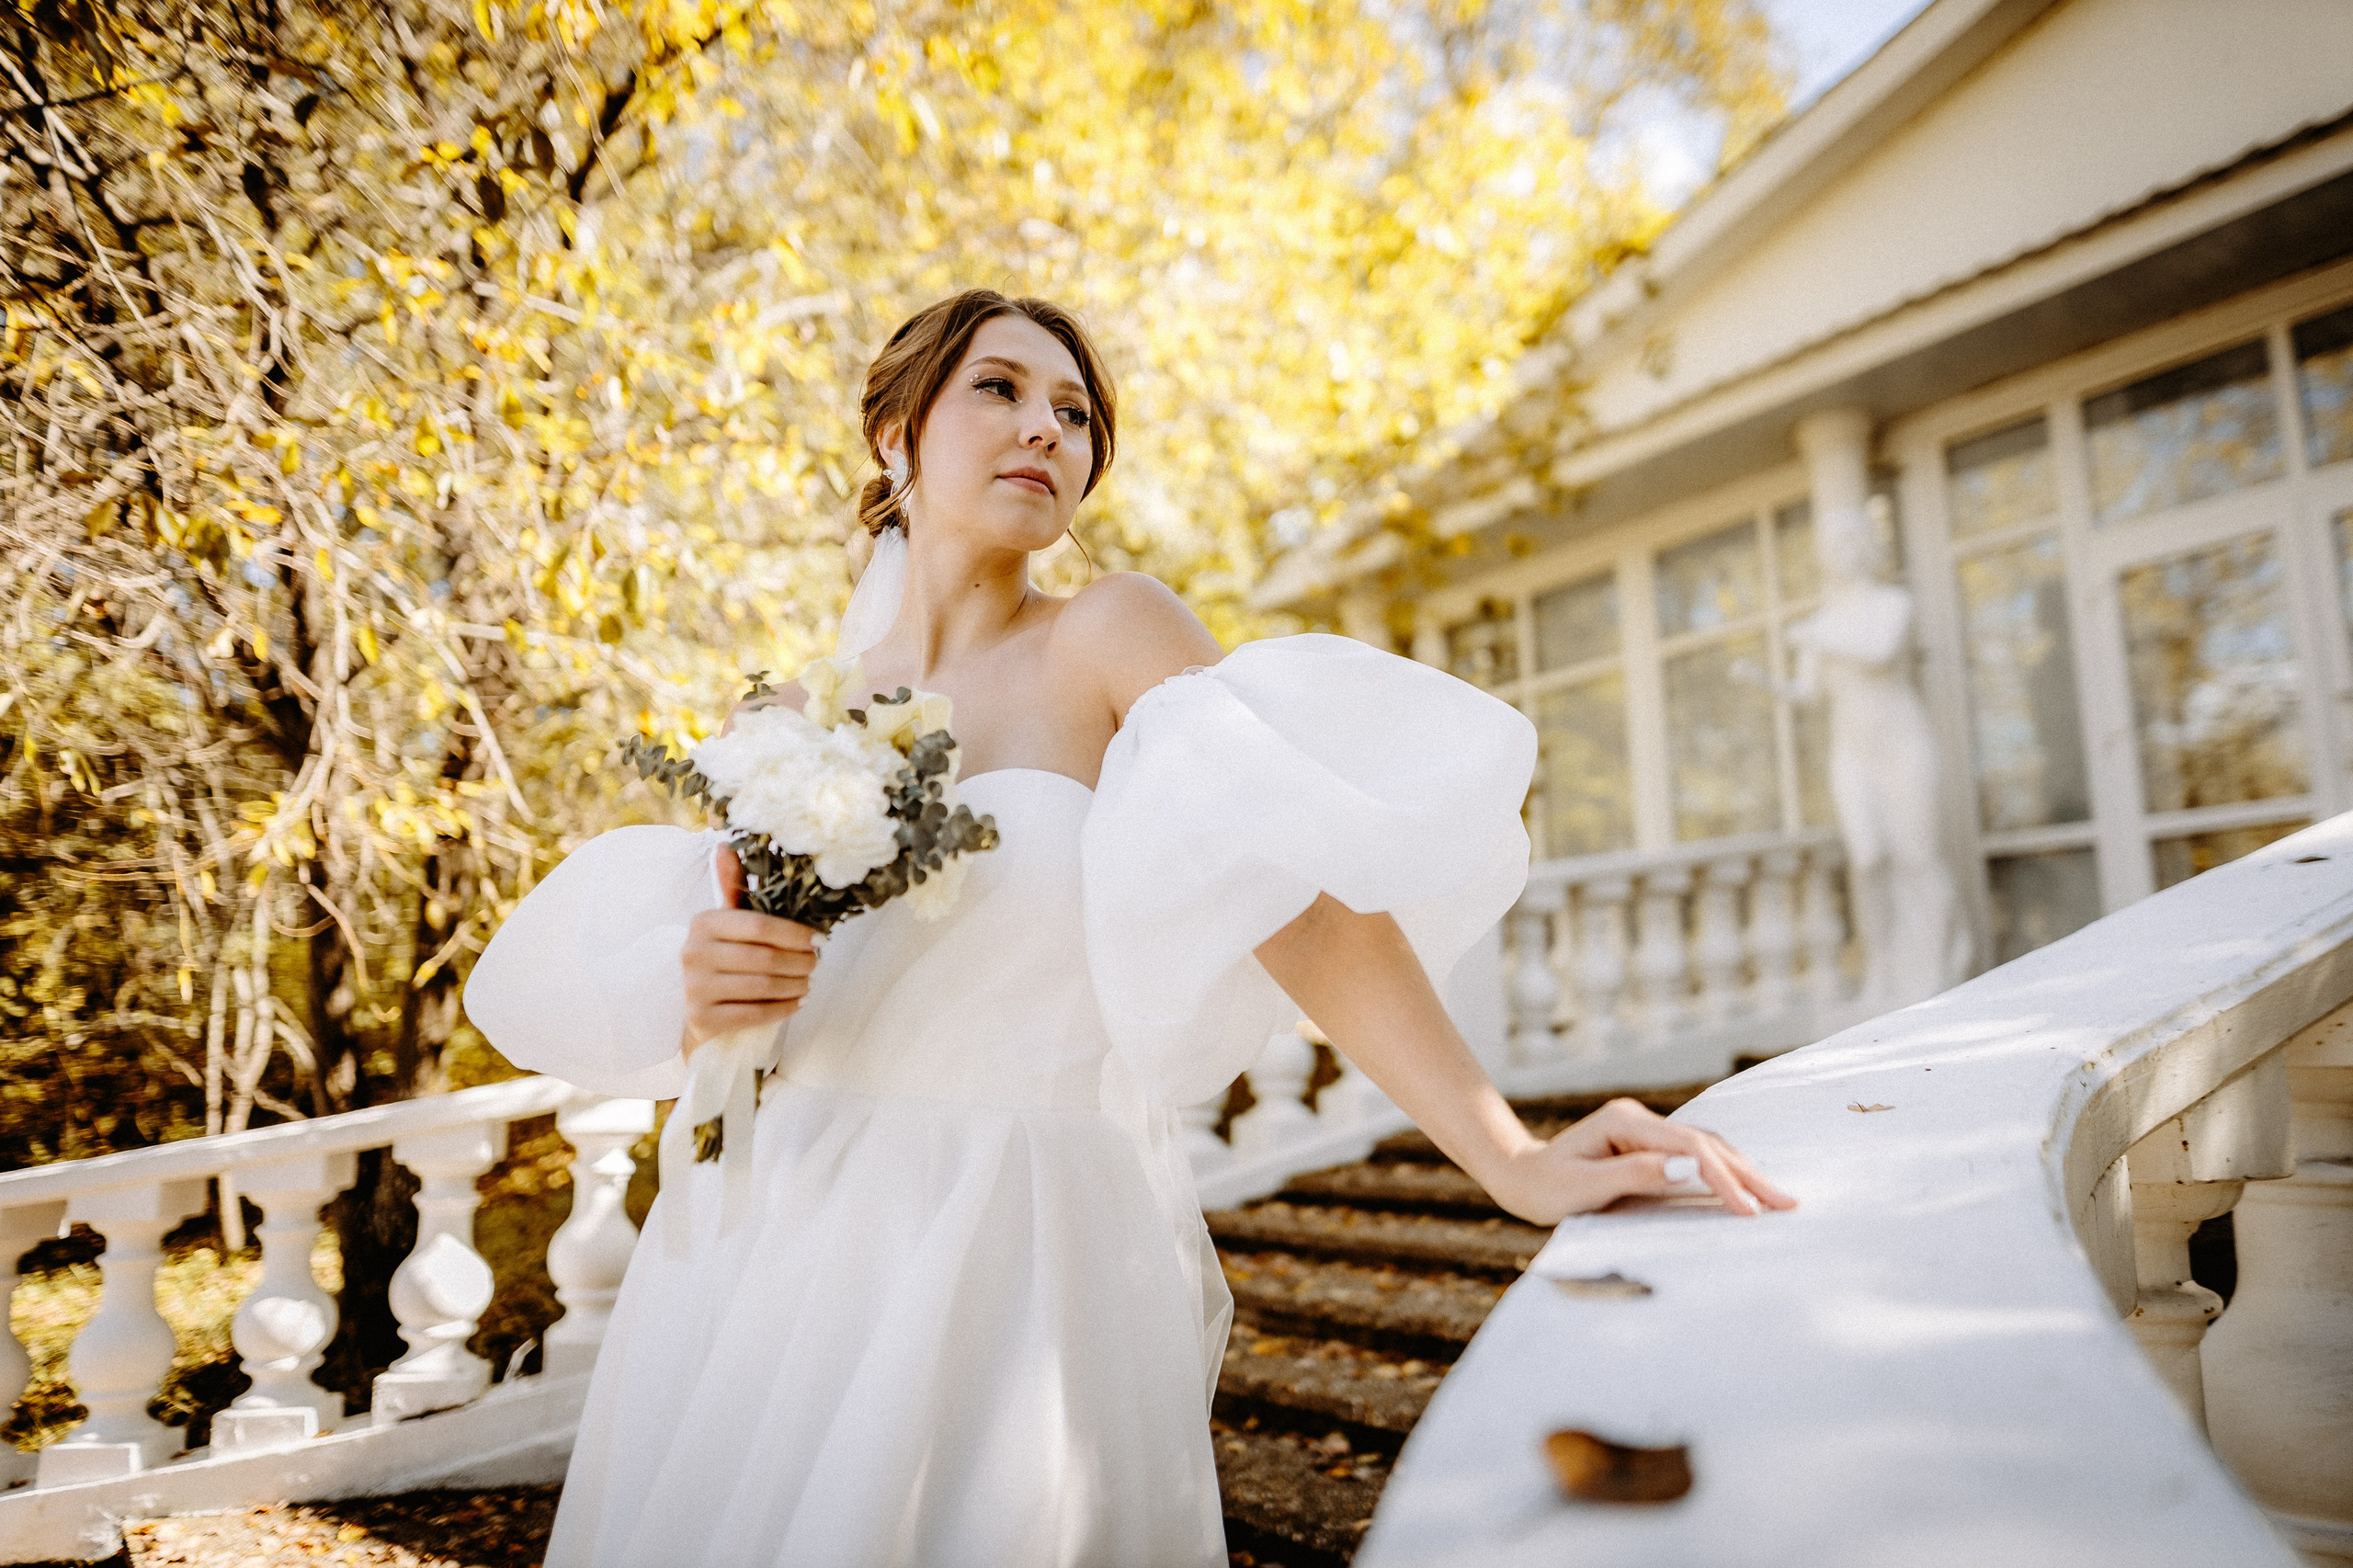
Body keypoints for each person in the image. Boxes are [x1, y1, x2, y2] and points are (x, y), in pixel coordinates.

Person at [464, 290, 1794, 1568]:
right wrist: (716, 995)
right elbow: (751, 1039)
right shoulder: (786, 728)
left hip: (1020, 1240)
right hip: (782, 1254)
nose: (1048, 426)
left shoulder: (1108, 634)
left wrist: (1510, 1157)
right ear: (895, 434)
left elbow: (1302, 902)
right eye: (999, 388)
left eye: (1075, 411)